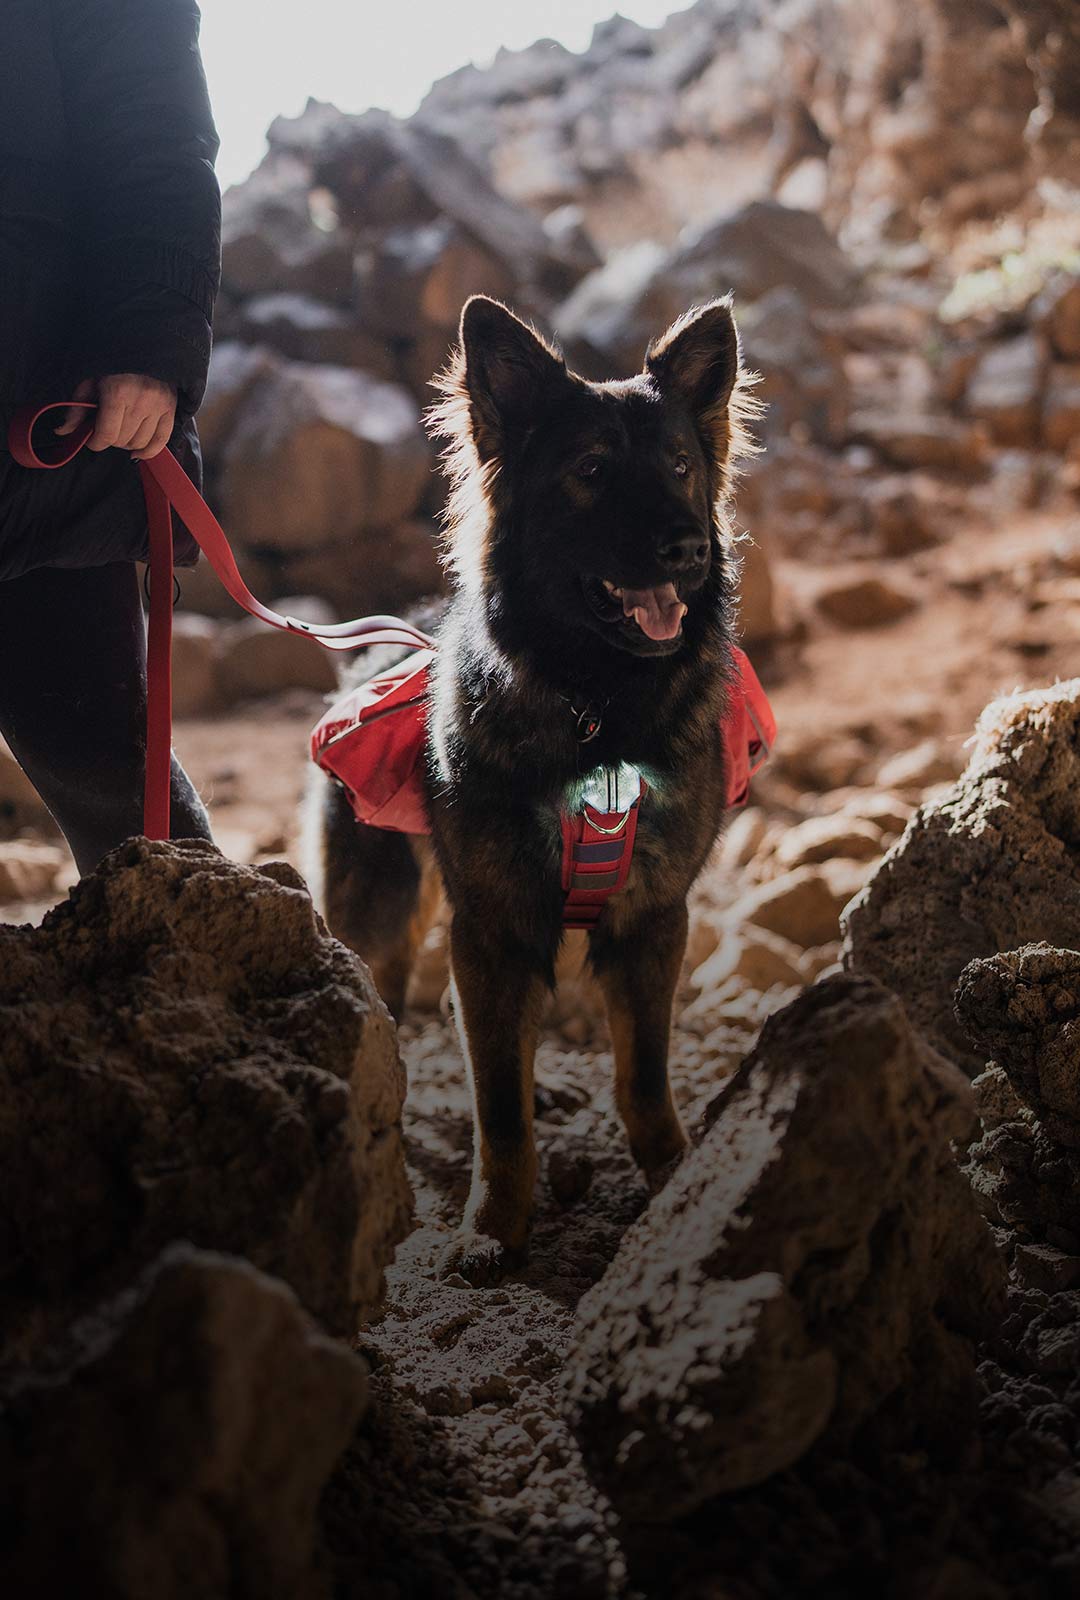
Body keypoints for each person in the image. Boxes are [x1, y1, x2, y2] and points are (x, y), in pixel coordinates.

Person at [0, 0, 221, 874]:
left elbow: (150, 122)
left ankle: (209, 985)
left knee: (108, 772)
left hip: (39, 413)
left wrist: (146, 341)